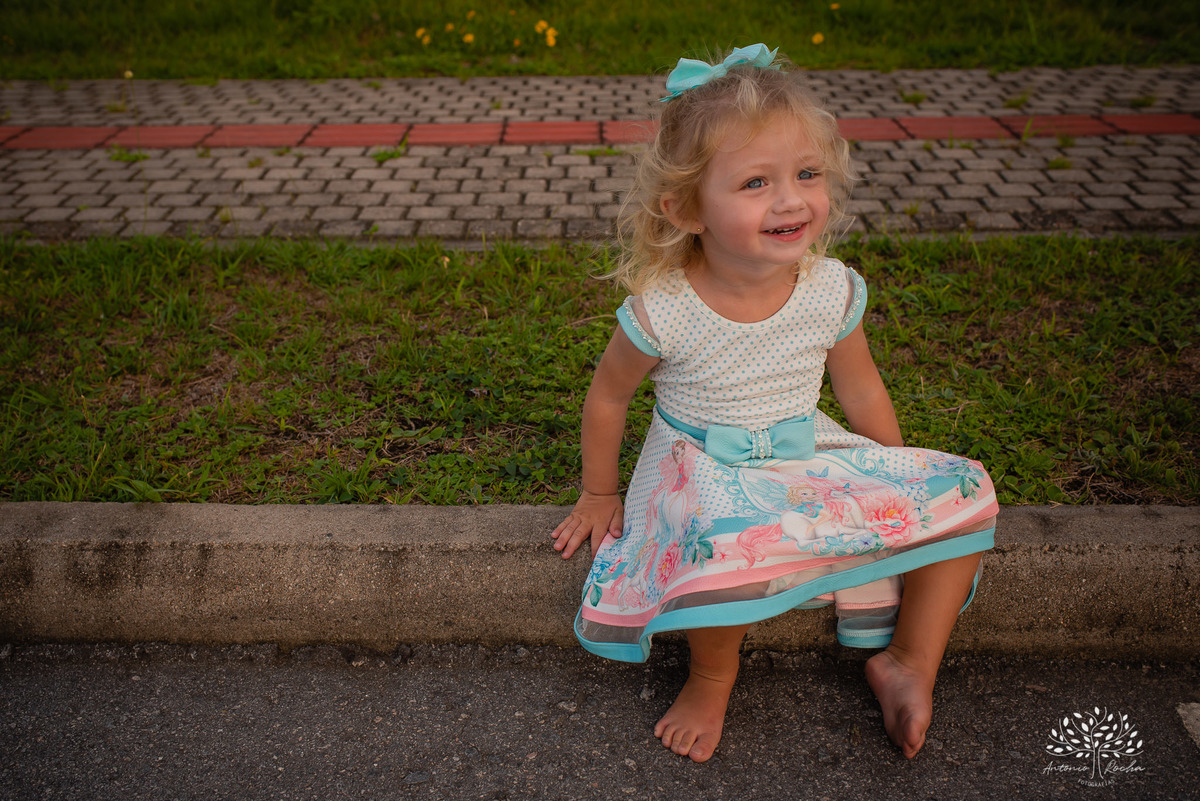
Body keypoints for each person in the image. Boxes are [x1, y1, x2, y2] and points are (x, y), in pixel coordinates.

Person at [551, 44, 998, 764]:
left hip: (804, 451)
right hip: (700, 468)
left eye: (807, 174)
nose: (791, 199)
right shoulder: (666, 308)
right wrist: (600, 490)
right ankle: (710, 677)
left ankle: (911, 660)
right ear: (685, 208)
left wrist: (893, 470)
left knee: (964, 494)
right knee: (721, 542)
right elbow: (609, 397)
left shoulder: (829, 289)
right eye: (756, 182)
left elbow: (860, 388)